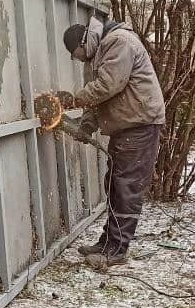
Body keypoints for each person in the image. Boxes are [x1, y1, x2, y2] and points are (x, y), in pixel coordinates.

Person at [63, 17, 166, 269]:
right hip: (127, 125)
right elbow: (97, 95)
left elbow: (108, 85)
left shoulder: (119, 42)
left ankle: (117, 250)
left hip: (140, 124)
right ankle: (108, 241)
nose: (79, 60)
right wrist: (87, 125)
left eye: (77, 55)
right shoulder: (98, 52)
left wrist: (72, 101)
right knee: (114, 184)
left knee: (126, 188)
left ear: (83, 42)